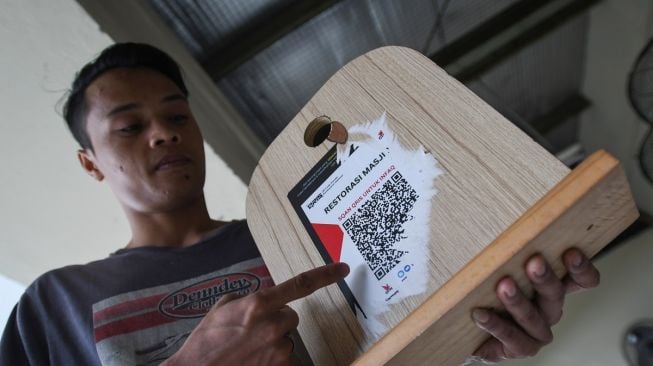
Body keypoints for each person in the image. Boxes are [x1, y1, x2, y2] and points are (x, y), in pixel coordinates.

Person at [0, 43, 600, 366]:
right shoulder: (52, 307)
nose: (163, 133)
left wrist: (481, 337)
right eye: (129, 127)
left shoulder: (298, 235)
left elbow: (402, 345)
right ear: (89, 161)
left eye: (176, 114)